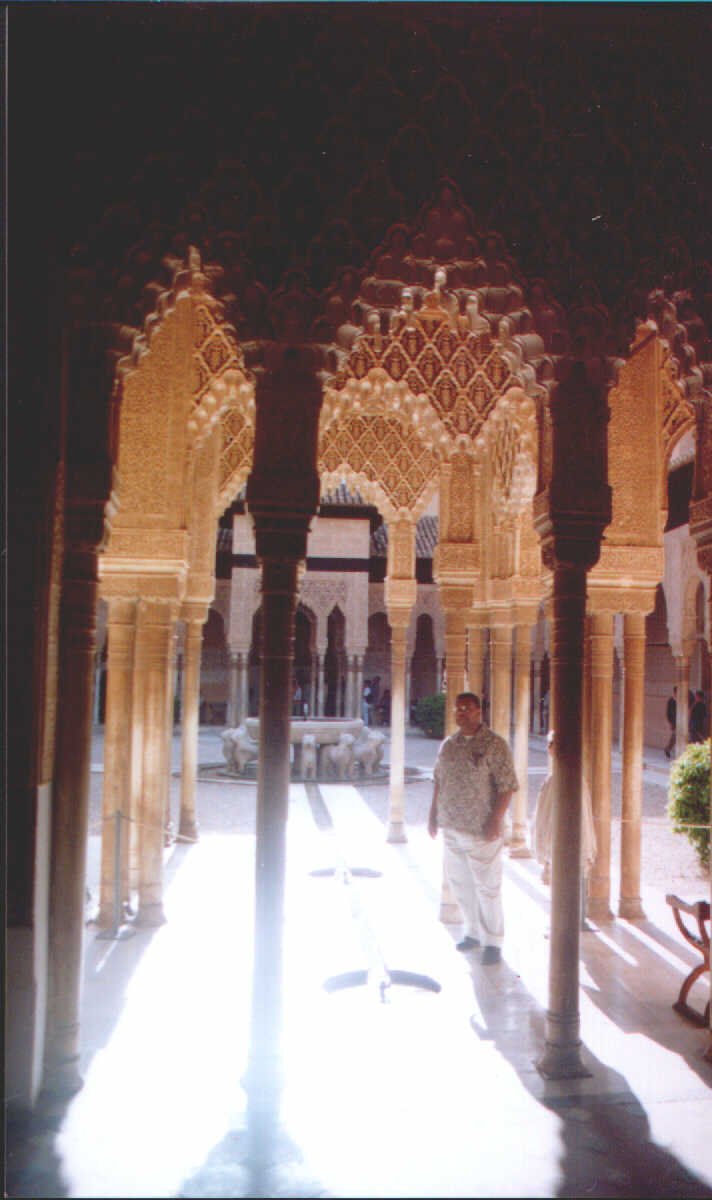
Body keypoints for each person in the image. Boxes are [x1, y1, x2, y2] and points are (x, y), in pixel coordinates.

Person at [428, 692, 518, 965]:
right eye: (458, 709)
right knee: (460, 883)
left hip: (481, 829)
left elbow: (507, 786)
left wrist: (495, 820)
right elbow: (438, 780)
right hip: (452, 825)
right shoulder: (449, 745)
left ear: (480, 711)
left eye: (467, 709)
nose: (461, 714)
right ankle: (472, 932)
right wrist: (433, 815)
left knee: (488, 887)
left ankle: (493, 942)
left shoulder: (494, 744)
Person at [534, 730, 597, 929]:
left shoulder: (574, 777)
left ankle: (575, 920)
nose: (551, 748)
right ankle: (564, 921)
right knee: (560, 879)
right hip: (556, 840)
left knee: (574, 877)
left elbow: (583, 815)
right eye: (550, 744)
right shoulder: (552, 779)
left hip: (572, 838)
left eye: (554, 744)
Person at [664, 687, 677, 759]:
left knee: (675, 736)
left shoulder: (680, 699)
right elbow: (669, 712)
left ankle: (668, 748)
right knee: (675, 736)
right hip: (674, 721)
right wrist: (671, 722)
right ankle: (668, 748)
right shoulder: (671, 700)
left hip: (680, 720)